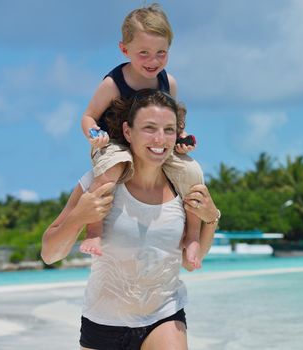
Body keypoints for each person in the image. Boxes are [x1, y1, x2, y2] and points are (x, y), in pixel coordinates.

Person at [41, 90, 220, 350]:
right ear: (128, 132)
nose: (160, 139)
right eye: (149, 128)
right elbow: (50, 254)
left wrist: (211, 220)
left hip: (164, 315)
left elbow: (191, 263)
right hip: (103, 325)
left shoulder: (183, 184)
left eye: (169, 129)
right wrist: (80, 216)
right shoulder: (99, 181)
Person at [79, 3, 203, 270]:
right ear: (125, 50)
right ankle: (94, 232)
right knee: (111, 171)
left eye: (161, 53)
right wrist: (94, 134)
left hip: (153, 144)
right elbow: (88, 115)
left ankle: (192, 236)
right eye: (143, 53)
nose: (153, 61)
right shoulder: (113, 84)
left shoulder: (168, 82)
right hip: (113, 142)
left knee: (193, 172)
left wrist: (181, 136)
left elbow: (172, 118)